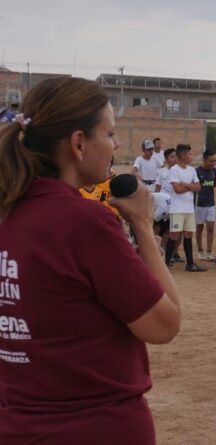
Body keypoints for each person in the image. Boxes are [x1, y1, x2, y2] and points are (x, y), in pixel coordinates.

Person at [0, 76, 180, 443]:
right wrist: (143, 226)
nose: (116, 145)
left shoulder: (8, 212)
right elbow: (163, 325)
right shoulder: (84, 223)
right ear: (78, 143)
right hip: (95, 426)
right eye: (109, 134)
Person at [165, 144, 205, 272]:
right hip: (177, 208)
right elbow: (177, 189)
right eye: (189, 154)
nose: (191, 156)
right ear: (183, 155)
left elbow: (198, 187)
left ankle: (190, 263)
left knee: (188, 234)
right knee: (174, 235)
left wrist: (185, 184)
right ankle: (166, 263)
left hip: (189, 208)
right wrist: (190, 186)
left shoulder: (191, 170)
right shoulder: (174, 170)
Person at [195, 149, 216, 261]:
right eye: (211, 161)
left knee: (210, 227)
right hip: (199, 204)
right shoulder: (196, 172)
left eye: (214, 161)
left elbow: (215, 184)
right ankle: (200, 251)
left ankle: (209, 252)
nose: (213, 163)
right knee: (199, 228)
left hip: (211, 204)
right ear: (204, 160)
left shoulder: (215, 172)